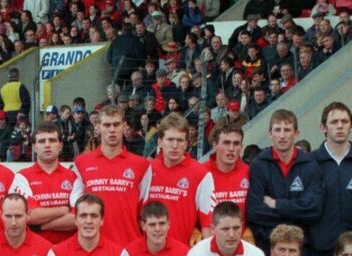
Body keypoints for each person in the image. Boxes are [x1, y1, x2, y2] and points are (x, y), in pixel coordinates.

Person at [246, 110, 325, 256]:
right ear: (270, 133)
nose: (282, 135)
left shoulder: (310, 165)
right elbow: (254, 212)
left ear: (296, 133)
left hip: (301, 248)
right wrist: (296, 212)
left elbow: (314, 210)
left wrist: (277, 204)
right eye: (277, 130)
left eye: (287, 130)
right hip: (267, 246)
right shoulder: (259, 165)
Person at [70, 106, 151, 247]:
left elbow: (144, 210)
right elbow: (76, 208)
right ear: (98, 127)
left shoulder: (141, 165)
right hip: (93, 248)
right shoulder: (81, 163)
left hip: (129, 247)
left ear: (124, 126)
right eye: (107, 125)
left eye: (116, 124)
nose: (112, 130)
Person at [309, 102, 352, 256]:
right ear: (323, 127)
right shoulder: (310, 162)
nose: (339, 126)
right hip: (319, 252)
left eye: (344, 121)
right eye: (334, 122)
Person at [143, 115, 214, 245]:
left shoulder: (201, 174)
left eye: (180, 140)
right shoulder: (146, 170)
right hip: (148, 253)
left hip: (182, 255)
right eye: (170, 139)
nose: (175, 145)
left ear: (186, 143)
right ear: (159, 142)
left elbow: (208, 223)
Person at [18, 122, 78, 243]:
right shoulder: (21, 177)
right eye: (41, 141)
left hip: (69, 252)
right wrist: (64, 210)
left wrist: (41, 226)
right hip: (34, 252)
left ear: (60, 145)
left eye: (52, 140)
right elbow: (30, 216)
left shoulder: (74, 177)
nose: (47, 145)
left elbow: (78, 218)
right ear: (34, 146)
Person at [206, 122, 251, 235]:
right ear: (215, 145)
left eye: (236, 144)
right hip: (210, 243)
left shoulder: (250, 172)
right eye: (226, 143)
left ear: (241, 147)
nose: (231, 148)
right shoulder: (201, 173)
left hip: (242, 244)